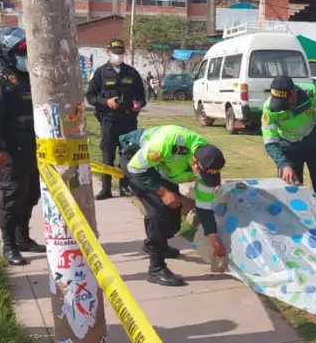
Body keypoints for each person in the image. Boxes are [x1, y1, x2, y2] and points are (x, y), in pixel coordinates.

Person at [120, 125, 227, 287]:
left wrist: (214, 241)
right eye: (201, 174)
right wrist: (162, 192)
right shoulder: (166, 144)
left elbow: (204, 207)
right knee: (159, 213)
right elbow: (134, 168)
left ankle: (156, 243)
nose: (201, 178)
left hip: (162, 169)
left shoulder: (207, 160)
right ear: (194, 162)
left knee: (174, 220)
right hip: (137, 162)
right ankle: (156, 268)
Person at [0, 26, 45, 266]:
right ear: (6, 53)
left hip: (34, 150)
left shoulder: (30, 79)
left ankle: (23, 237)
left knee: (31, 195)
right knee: (10, 199)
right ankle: (9, 246)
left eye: (27, 51)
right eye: (20, 51)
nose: (24, 56)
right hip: (11, 152)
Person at [86, 38, 146, 200]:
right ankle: (106, 189)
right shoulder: (100, 73)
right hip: (109, 120)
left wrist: (138, 104)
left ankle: (125, 186)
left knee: (127, 154)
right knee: (108, 154)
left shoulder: (132, 73)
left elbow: (142, 97)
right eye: (115, 53)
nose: (118, 56)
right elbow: (90, 96)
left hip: (128, 120)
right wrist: (106, 102)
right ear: (108, 53)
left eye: (120, 53)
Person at [262, 75, 316, 203]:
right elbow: (270, 142)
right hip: (289, 146)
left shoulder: (311, 93)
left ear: (293, 93)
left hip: (314, 142)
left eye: (285, 103)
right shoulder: (268, 108)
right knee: (291, 189)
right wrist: (284, 165)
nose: (283, 107)